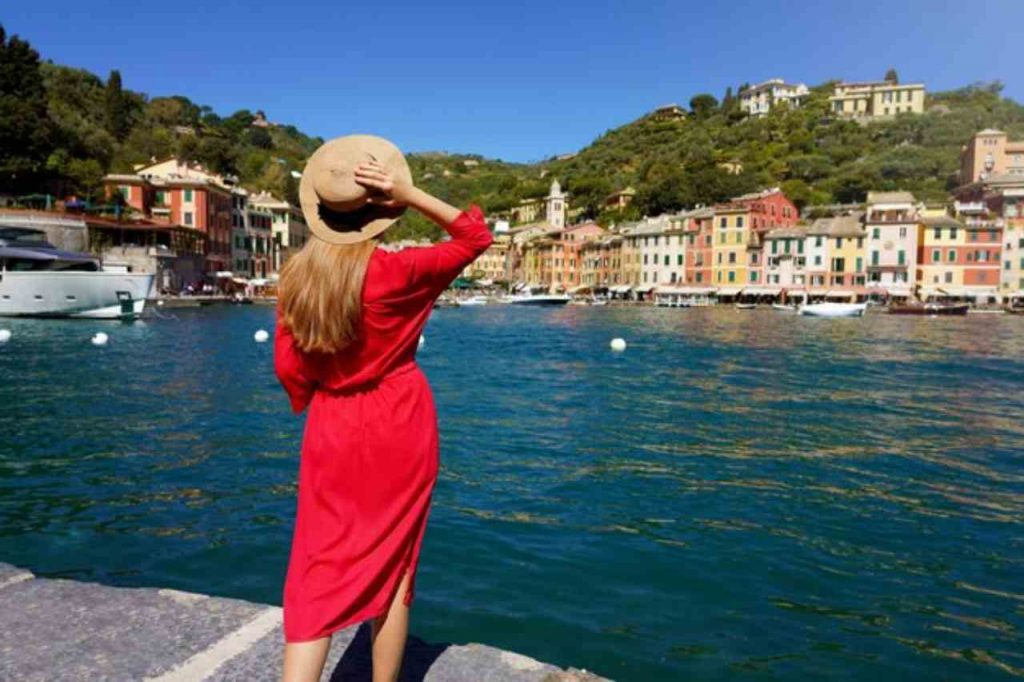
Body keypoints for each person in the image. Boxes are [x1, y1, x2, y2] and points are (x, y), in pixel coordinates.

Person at [273, 135, 493, 682]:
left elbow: (290, 371)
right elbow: (474, 235)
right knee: (396, 565)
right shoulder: (401, 273)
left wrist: (317, 393)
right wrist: (410, 192)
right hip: (401, 425)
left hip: (331, 427)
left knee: (315, 562)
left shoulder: (296, 280)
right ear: (382, 211)